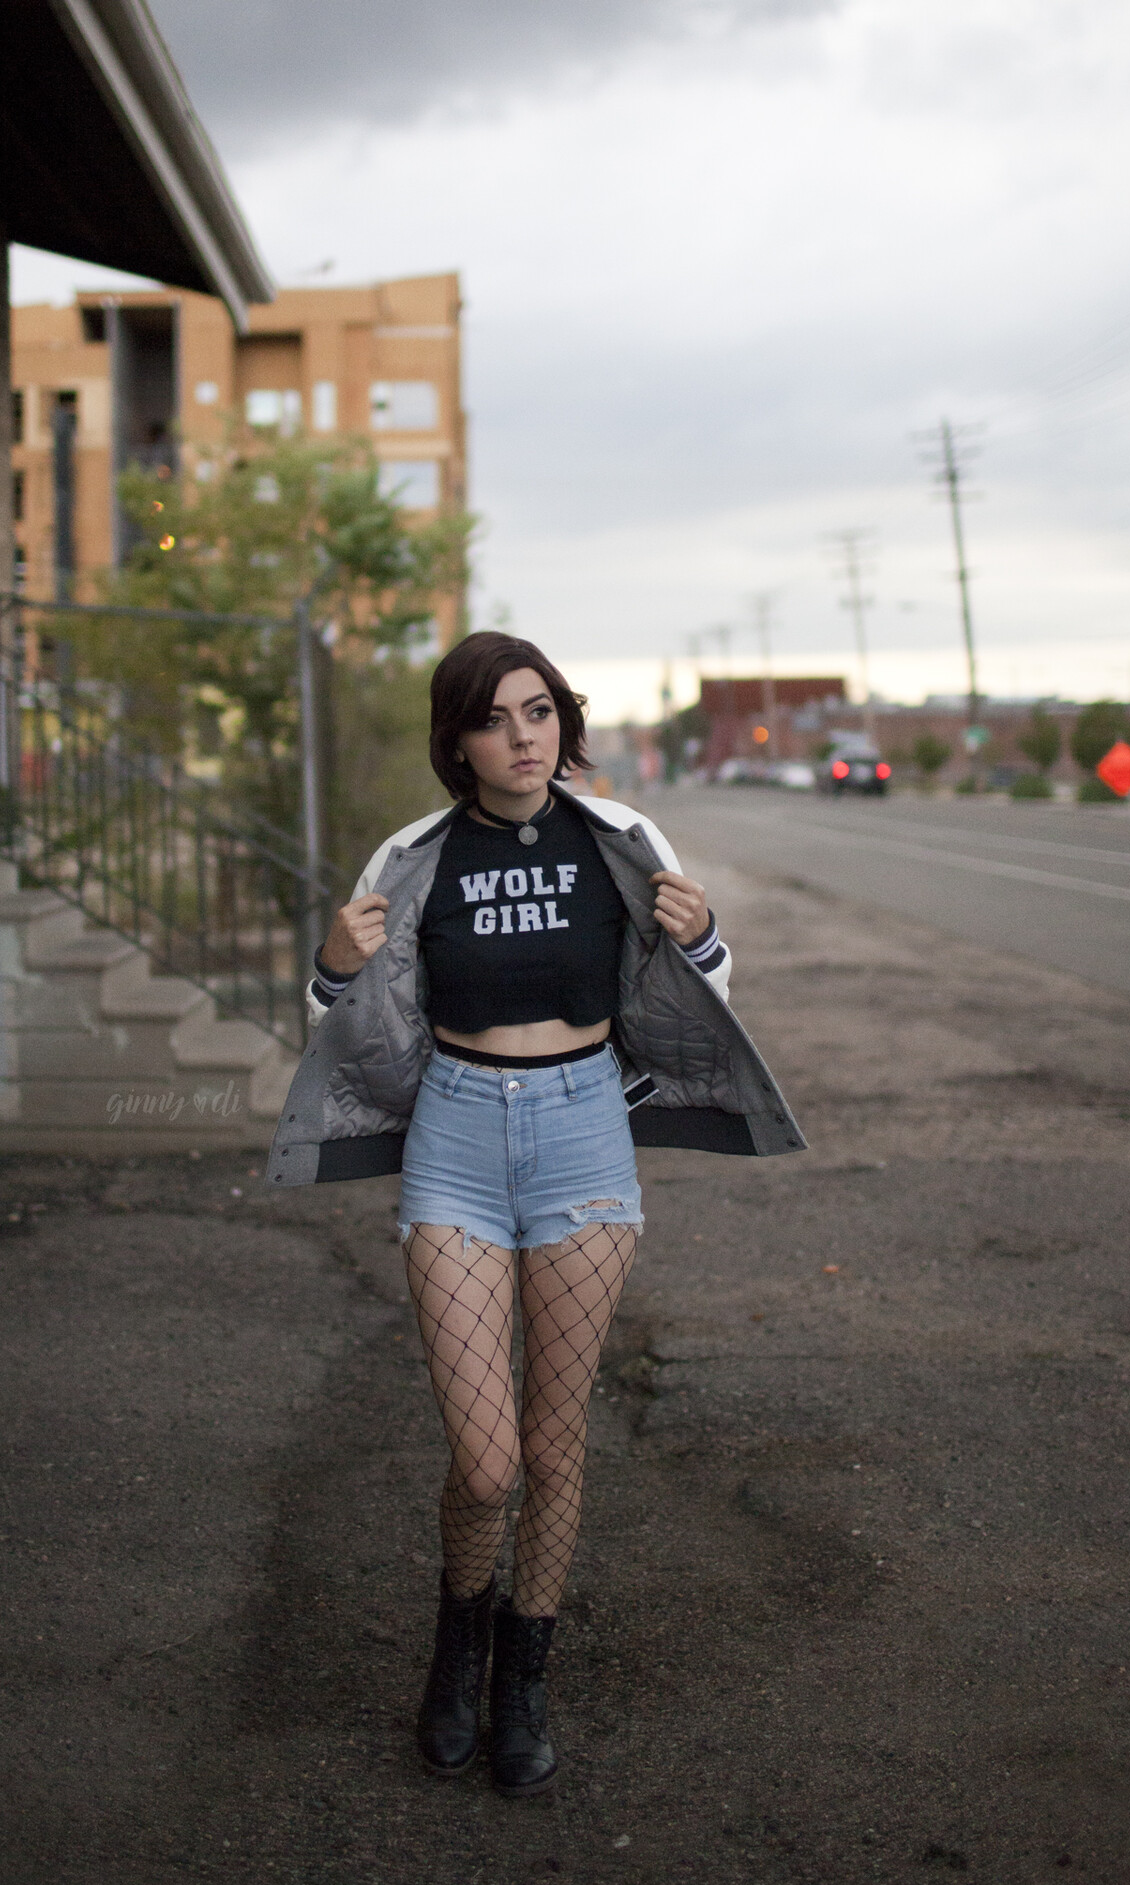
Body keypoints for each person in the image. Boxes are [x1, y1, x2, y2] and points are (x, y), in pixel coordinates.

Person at [266, 632, 804, 1796]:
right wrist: (331, 962)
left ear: (563, 721)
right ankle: (458, 1639)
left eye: (539, 712)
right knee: (487, 1462)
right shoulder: (414, 855)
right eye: (494, 719)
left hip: (583, 1138)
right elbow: (349, 1010)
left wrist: (703, 938)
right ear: (456, 742)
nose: (522, 738)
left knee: (555, 1450)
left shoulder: (622, 840)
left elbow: (697, 985)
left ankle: (523, 1675)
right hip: (455, 1141)